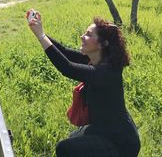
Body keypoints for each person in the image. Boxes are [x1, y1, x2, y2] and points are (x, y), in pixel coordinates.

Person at [26, 9, 140, 157]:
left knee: (65, 148)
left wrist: (41, 35)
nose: (82, 36)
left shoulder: (107, 72)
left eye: (88, 34)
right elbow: (64, 52)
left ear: (103, 44)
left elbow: (67, 68)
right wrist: (40, 32)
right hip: (103, 128)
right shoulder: (95, 59)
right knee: (72, 138)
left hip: (121, 142)